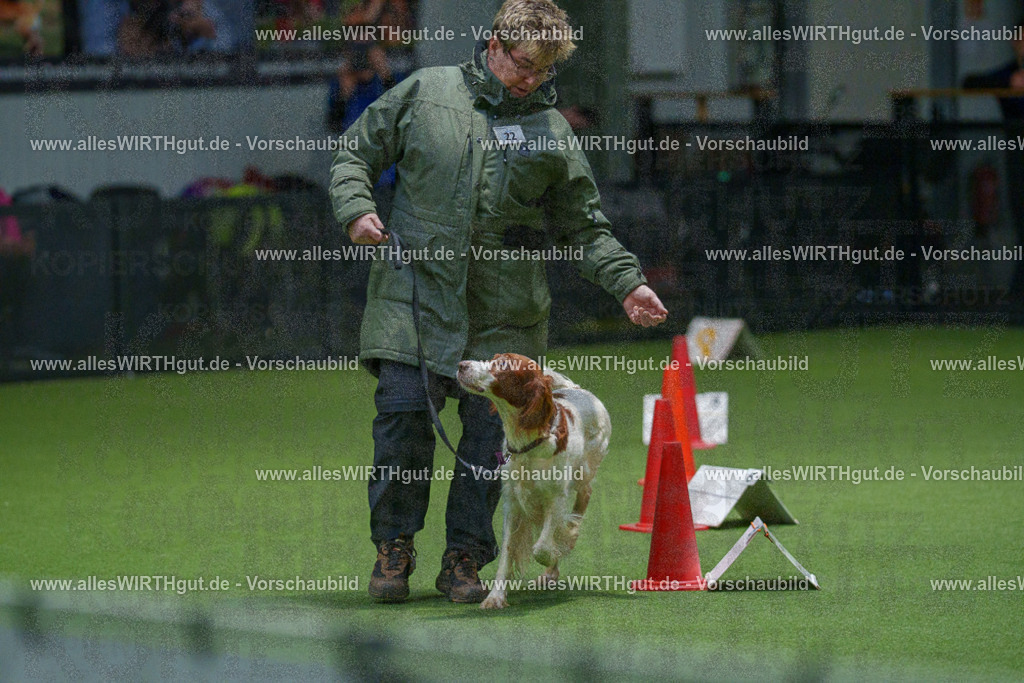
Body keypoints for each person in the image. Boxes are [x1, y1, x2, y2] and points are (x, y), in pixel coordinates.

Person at [329, 0, 668, 604]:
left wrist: (627, 282)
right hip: (411, 297)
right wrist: (357, 210)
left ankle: (466, 557)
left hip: (506, 310)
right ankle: (394, 547)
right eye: (522, 63)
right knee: (403, 423)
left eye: (543, 70)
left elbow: (584, 227)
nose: (531, 79)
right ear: (493, 45)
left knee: (491, 444)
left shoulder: (551, 131)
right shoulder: (424, 93)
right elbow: (355, 153)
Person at [963, 20, 1024, 301]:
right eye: (1019, 40)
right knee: (1020, 214)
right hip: (1017, 157)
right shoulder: (1010, 72)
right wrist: (1008, 84)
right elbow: (970, 82)